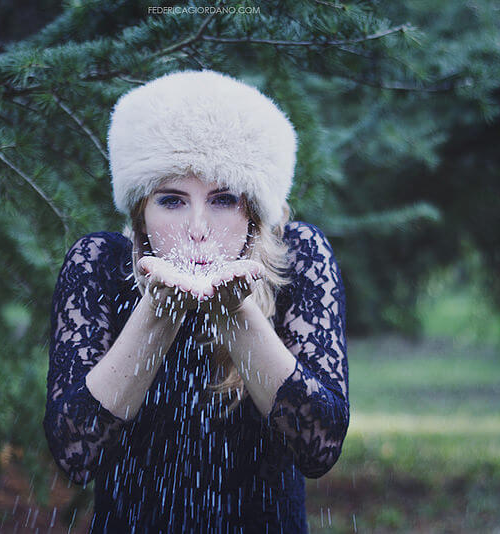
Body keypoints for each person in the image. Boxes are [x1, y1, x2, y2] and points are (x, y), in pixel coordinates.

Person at [43, 70, 349, 533]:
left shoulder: (299, 257)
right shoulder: (99, 264)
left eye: (223, 200)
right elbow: (76, 455)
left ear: (253, 215)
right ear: (141, 215)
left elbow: (319, 448)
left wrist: (236, 314)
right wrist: (158, 313)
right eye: (172, 201)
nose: (198, 227)